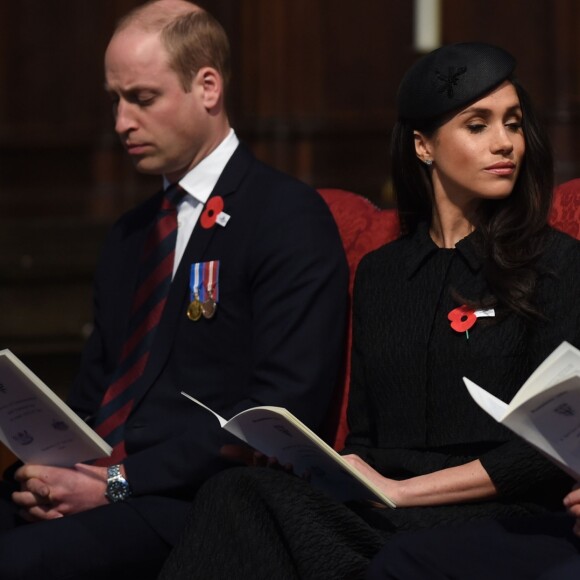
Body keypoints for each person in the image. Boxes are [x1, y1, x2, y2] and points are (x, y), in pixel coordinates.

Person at [158, 42, 580, 579]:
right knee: (237, 492)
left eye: (514, 124)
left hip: (501, 515)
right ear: (423, 146)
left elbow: (547, 450)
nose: (506, 144)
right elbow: (366, 437)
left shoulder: (557, 263)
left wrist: (402, 492)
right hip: (386, 509)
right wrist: (328, 467)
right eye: (478, 126)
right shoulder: (383, 272)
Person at [0, 1, 348, 579]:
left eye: (141, 98)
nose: (120, 123)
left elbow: (280, 410)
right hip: (97, 487)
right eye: (115, 100)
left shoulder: (284, 215)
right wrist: (45, 471)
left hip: (195, 502)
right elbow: (95, 394)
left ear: (206, 87)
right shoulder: (130, 233)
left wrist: (116, 483)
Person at [366, 486, 580, 579]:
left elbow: (526, 464)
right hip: (568, 524)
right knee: (402, 560)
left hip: (512, 497)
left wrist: (400, 490)